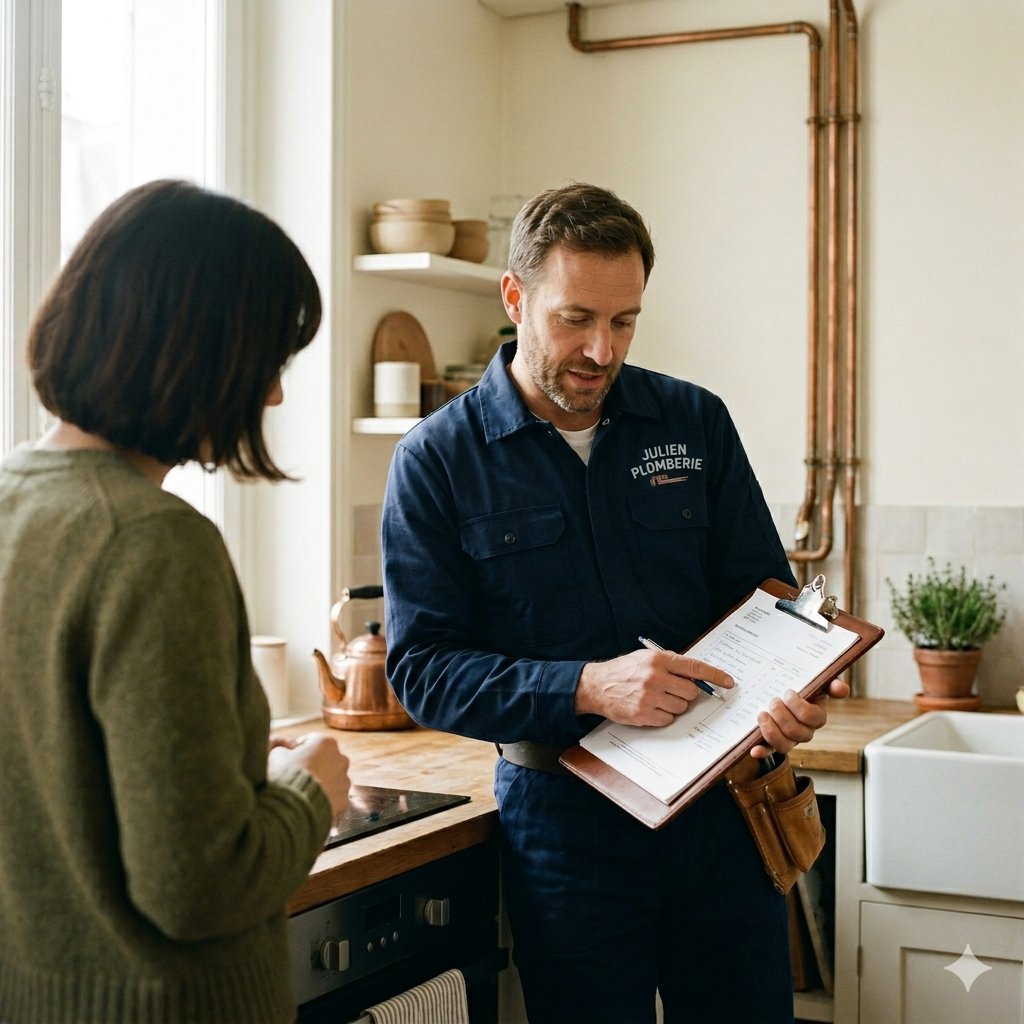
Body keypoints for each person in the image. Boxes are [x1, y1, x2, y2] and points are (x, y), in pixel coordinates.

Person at [382, 183, 849, 1024]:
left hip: (724, 813)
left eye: (625, 320)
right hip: (567, 834)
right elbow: (422, 670)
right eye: (575, 319)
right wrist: (587, 688)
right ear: (515, 298)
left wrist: (803, 681)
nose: (602, 349)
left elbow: (768, 599)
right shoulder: (436, 461)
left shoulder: (694, 422)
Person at [0, 180, 351, 1024]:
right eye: (267, 361)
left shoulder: (16, 503)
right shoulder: (154, 545)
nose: (269, 397)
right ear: (194, 352)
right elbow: (197, 885)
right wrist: (311, 795)